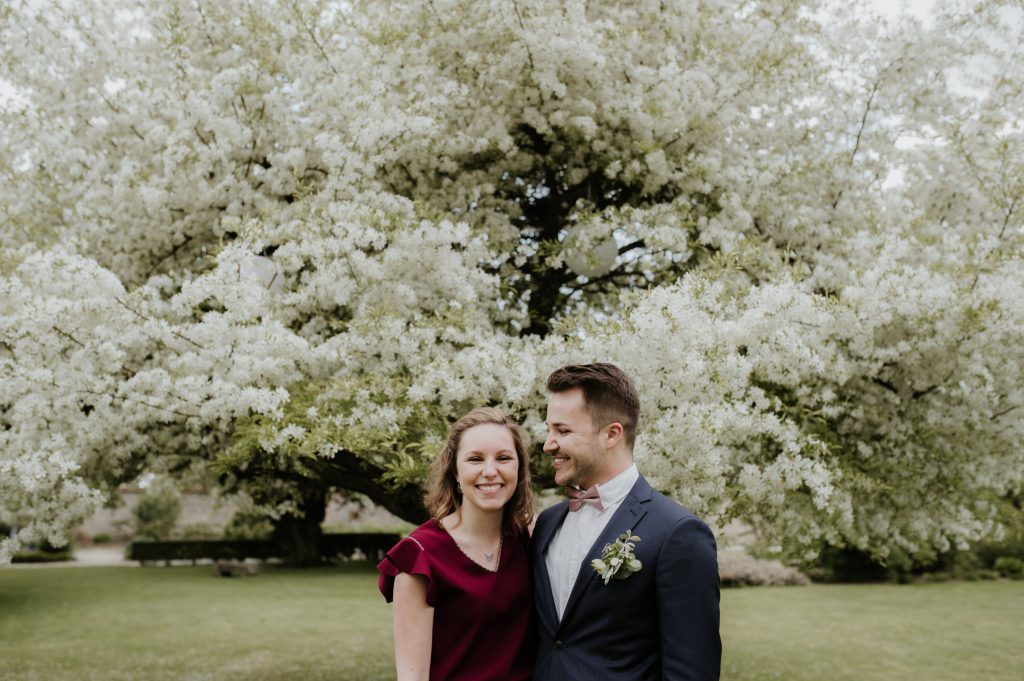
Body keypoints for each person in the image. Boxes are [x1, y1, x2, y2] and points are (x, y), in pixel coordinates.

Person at [532, 363, 721, 681]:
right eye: (550, 430)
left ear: (611, 434)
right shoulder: (547, 524)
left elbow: (692, 671)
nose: (548, 444)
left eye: (563, 431)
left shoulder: (677, 533)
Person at [377, 407, 535, 681]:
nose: (490, 471)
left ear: (518, 469)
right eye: (475, 459)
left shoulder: (526, 538)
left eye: (503, 458)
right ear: (455, 472)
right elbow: (412, 677)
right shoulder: (419, 556)